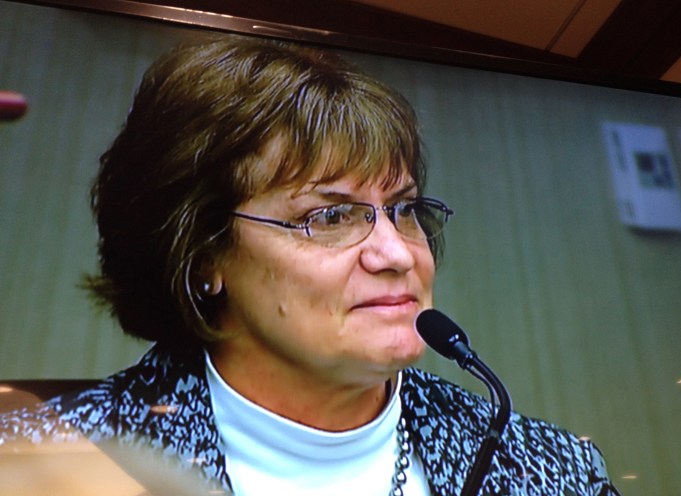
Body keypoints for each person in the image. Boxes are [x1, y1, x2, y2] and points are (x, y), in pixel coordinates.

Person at [0, 35, 620, 495]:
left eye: (403, 210)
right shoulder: (41, 466)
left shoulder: (551, 470)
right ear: (203, 255)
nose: (397, 253)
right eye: (330, 218)